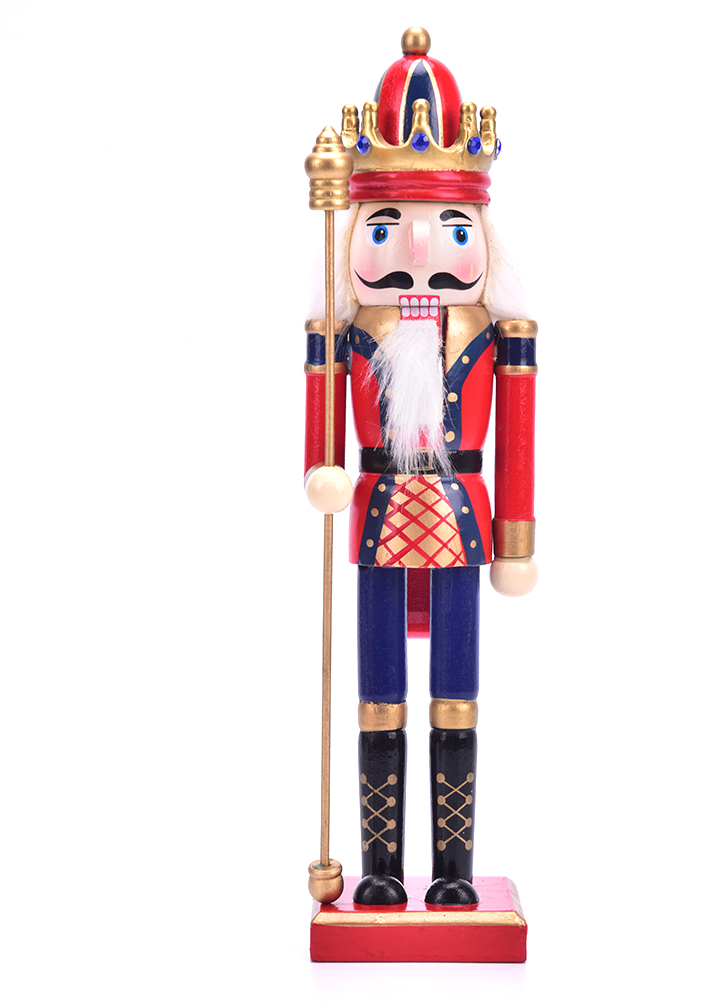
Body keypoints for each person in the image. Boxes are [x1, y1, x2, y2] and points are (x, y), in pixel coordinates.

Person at [304, 27, 537, 906]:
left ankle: (452, 873)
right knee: (378, 695)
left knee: (456, 693)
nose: (417, 254)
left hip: (462, 517)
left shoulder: (500, 335)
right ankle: (377, 871)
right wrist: (323, 470)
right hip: (375, 510)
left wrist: (516, 542)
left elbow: (518, 441)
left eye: (447, 228)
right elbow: (320, 430)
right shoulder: (342, 333)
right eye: (386, 228)